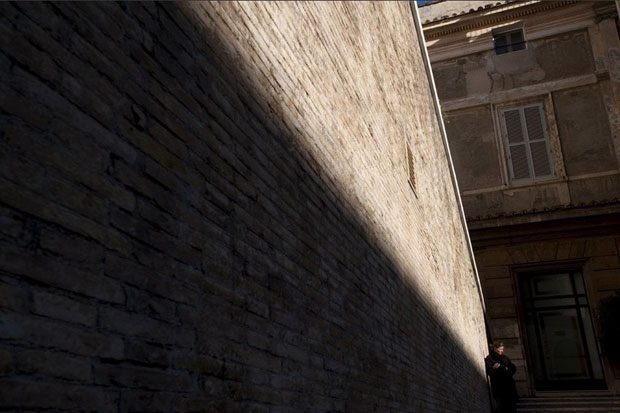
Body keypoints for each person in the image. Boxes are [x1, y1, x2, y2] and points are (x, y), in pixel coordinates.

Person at [485, 340, 518, 413]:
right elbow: (489, 371)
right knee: (502, 407)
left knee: (512, 407)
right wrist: (494, 368)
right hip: (499, 387)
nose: (501, 351)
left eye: (502, 349)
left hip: (509, 387)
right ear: (495, 348)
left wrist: (504, 368)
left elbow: (512, 368)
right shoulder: (489, 359)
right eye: (500, 349)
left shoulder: (505, 358)